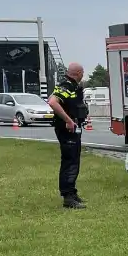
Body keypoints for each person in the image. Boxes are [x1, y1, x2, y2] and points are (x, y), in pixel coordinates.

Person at [47, 62, 88, 209]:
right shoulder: (67, 85)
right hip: (67, 130)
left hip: (73, 129)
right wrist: (68, 120)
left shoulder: (72, 86)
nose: (83, 74)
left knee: (74, 160)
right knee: (69, 162)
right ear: (77, 73)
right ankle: (68, 197)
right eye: (82, 72)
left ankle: (72, 192)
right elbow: (52, 101)